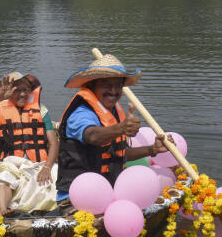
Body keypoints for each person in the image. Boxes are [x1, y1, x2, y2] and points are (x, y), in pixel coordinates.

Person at [56, 54, 174, 209]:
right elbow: (92, 136)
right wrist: (121, 128)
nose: (113, 91)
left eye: (118, 85)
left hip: (109, 192)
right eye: (106, 85)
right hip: (78, 196)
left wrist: (152, 149)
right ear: (92, 86)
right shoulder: (81, 113)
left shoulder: (112, 112)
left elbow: (118, 153)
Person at [0, 72, 59, 215]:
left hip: (38, 163)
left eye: (25, 90)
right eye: (17, 90)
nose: (22, 94)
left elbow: (53, 143)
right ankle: (3, 209)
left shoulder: (41, 109)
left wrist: (47, 168)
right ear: (9, 92)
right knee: (4, 175)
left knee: (56, 173)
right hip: (11, 162)